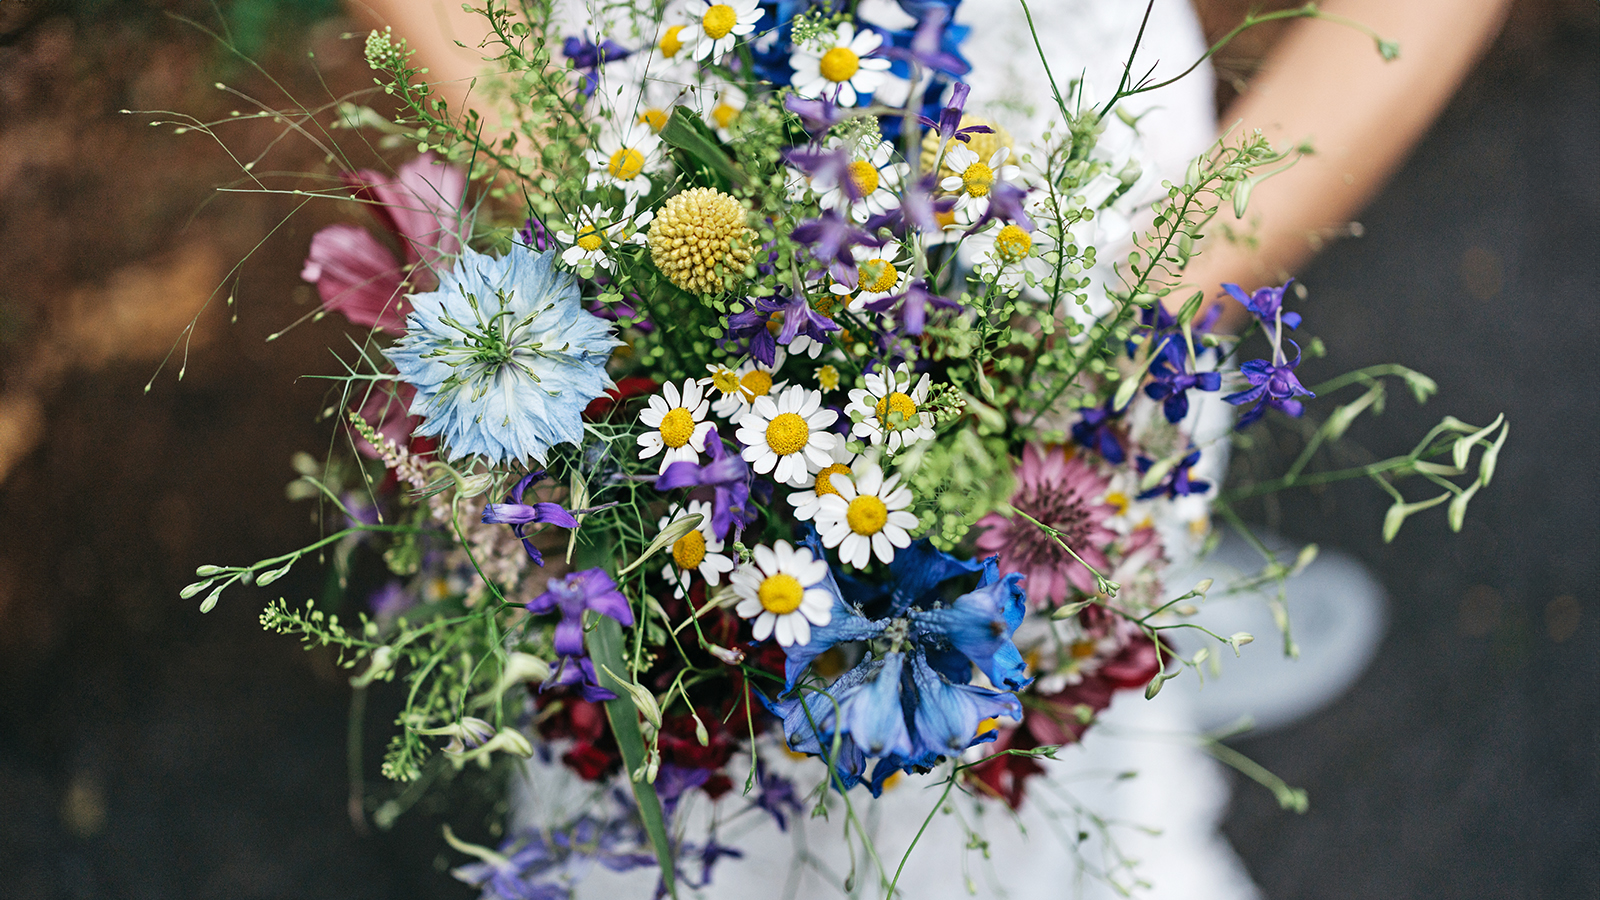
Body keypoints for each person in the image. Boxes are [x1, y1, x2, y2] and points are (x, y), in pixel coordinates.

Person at [346, 0, 1510, 895]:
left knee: (1014, 778)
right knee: (672, 753)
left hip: (1076, 239)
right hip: (629, 162)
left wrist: (1152, 298)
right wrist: (599, 247)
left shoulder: (1101, 314)